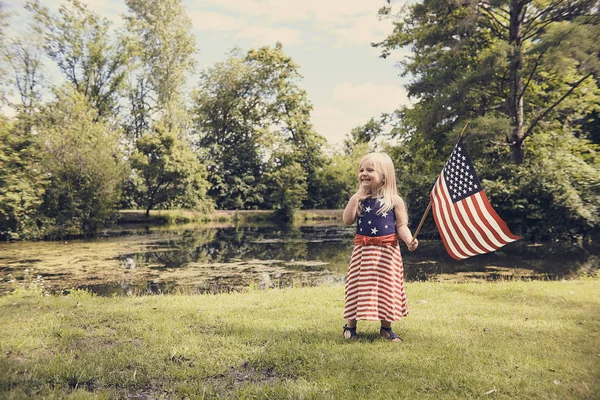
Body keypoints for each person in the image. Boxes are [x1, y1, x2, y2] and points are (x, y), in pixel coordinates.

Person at [342, 152, 418, 342]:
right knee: (357, 286)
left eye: (370, 170)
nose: (364, 173)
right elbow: (346, 221)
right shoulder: (359, 199)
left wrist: (409, 240)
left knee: (387, 289)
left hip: (387, 252)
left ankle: (386, 328)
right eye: (361, 170)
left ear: (385, 175)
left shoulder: (394, 200)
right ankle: (350, 327)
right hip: (363, 252)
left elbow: (401, 226)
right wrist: (354, 199)